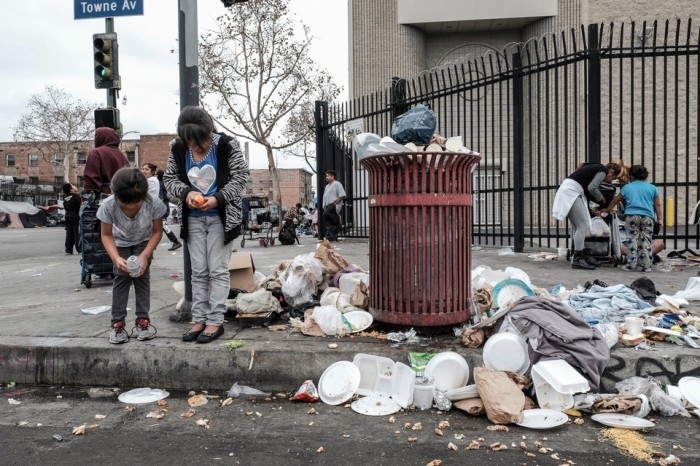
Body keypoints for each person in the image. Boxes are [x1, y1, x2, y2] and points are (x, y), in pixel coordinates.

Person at [163, 106, 248, 344]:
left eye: (198, 141)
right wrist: (187, 192)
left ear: (209, 131)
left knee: (218, 270)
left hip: (221, 217)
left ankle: (215, 321)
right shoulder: (177, 148)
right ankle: (199, 319)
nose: (194, 146)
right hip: (192, 219)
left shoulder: (227, 145)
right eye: (189, 141)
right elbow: (169, 179)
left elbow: (241, 177)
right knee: (198, 271)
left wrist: (217, 199)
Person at [97, 167, 167, 344]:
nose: (131, 206)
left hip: (144, 242)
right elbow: (106, 235)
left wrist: (145, 255)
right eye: (125, 203)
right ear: (115, 194)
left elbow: (157, 232)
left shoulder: (154, 203)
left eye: (136, 202)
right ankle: (117, 324)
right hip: (120, 244)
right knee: (121, 279)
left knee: (142, 279)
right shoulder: (108, 205)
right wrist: (115, 258)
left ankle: (143, 322)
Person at [552, 161, 623, 269]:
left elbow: (588, 189)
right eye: (612, 178)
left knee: (579, 226)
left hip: (570, 191)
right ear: (611, 172)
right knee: (583, 226)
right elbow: (592, 187)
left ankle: (582, 255)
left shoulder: (592, 169)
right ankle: (578, 258)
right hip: (572, 192)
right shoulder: (602, 170)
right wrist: (600, 197)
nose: (610, 181)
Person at [604, 164, 662, 272]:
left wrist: (607, 210)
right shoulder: (652, 188)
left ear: (631, 176)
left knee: (632, 240)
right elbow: (657, 205)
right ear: (645, 176)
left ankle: (631, 264)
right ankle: (646, 265)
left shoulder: (627, 187)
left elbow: (615, 200)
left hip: (632, 216)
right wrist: (659, 219)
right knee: (646, 240)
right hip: (648, 217)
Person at [141, 163, 183, 251]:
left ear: (152, 171)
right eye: (143, 169)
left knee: (160, 225)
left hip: (155, 207)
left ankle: (175, 241)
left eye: (146, 169)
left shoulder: (151, 181)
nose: (143, 171)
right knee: (159, 225)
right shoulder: (153, 180)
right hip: (156, 207)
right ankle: (172, 242)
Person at [82, 127, 130, 197]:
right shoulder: (122, 155)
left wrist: (87, 197)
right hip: (122, 198)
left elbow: (91, 179)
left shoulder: (96, 152)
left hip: (103, 198)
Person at [321, 170, 345, 241]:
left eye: (328, 176)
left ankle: (337, 221)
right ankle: (331, 236)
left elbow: (342, 195)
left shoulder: (337, 184)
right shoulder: (327, 186)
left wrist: (335, 204)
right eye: (326, 176)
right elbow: (325, 196)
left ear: (332, 176)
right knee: (328, 221)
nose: (326, 177)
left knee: (325, 214)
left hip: (334, 204)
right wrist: (324, 205)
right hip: (327, 205)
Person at [62, 183, 81, 255]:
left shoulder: (65, 198)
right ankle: (79, 249)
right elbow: (81, 206)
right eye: (73, 186)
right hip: (75, 216)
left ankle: (68, 250)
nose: (74, 186)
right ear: (71, 189)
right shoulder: (76, 196)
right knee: (77, 232)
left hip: (67, 216)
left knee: (69, 233)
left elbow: (65, 207)